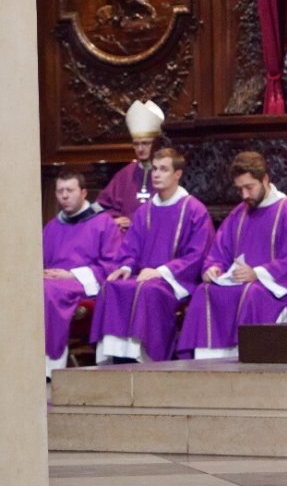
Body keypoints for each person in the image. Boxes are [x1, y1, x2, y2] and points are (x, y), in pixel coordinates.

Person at [177, 151, 287, 360]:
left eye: (249, 187)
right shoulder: (239, 213)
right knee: (204, 291)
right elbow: (220, 250)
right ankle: (205, 366)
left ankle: (246, 363)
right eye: (240, 189)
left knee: (250, 294)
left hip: (273, 289)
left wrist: (258, 273)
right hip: (239, 282)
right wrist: (212, 268)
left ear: (265, 179)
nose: (244, 195)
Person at [90, 147, 213, 363]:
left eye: (163, 169)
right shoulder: (145, 210)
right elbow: (130, 248)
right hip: (143, 276)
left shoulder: (194, 210)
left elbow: (197, 255)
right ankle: (116, 361)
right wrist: (125, 267)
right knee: (112, 286)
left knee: (147, 290)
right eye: (155, 169)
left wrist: (160, 272)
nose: (156, 174)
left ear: (178, 174)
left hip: (173, 281)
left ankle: (145, 359)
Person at [42, 171, 123, 379]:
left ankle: (49, 367)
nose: (65, 196)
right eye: (60, 191)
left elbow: (111, 266)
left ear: (84, 192)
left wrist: (71, 275)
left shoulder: (103, 223)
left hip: (83, 284)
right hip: (52, 282)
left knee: (47, 290)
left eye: (70, 190)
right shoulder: (52, 227)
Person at [97, 99, 165, 229]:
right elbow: (99, 208)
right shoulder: (124, 174)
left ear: (156, 143)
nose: (140, 149)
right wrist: (113, 221)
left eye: (145, 143)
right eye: (136, 144)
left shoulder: (166, 172)